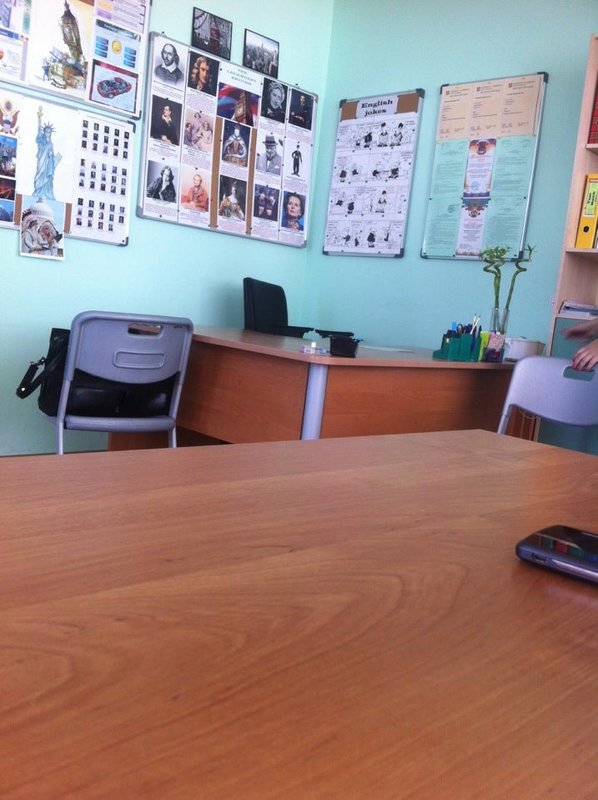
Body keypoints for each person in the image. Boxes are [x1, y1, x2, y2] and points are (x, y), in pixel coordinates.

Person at [33, 107, 61, 200]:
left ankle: (46, 192)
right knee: (39, 176)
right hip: (41, 161)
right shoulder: (41, 140)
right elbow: (38, 130)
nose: (47, 133)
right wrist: (39, 119)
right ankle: (38, 191)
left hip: (48, 163)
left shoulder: (51, 144)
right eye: (46, 131)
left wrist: (52, 155)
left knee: (48, 179)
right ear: (44, 132)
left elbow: (52, 153)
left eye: (49, 132)